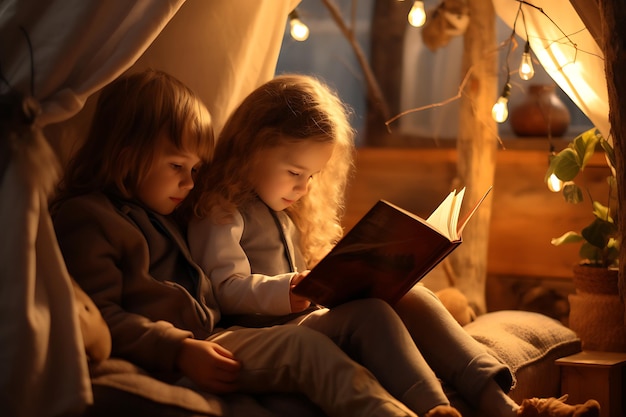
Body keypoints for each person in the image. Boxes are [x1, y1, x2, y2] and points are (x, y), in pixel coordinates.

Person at [185, 73, 601, 417]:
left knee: (413, 297)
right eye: (295, 172)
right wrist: (290, 289)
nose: (304, 186)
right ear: (251, 148)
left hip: (307, 319)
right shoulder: (221, 210)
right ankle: (435, 409)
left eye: (312, 176)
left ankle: (506, 407)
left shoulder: (288, 210)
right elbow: (226, 286)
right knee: (370, 316)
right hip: (260, 334)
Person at [51, 68, 423, 417]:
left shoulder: (164, 213)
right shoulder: (87, 218)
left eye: (196, 169)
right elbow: (96, 317)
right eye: (177, 167)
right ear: (126, 156)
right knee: (304, 350)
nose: (191, 183)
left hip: (214, 338)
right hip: (186, 348)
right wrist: (177, 350)